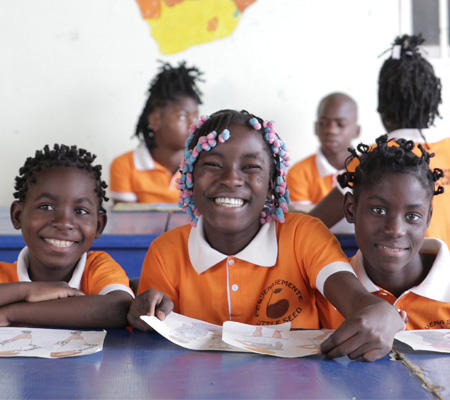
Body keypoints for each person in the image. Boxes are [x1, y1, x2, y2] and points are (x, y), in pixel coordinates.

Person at [127, 109, 406, 362]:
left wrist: (379, 312)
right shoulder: (166, 251)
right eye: (213, 164)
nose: (231, 179)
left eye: (250, 167)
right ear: (189, 176)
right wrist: (143, 313)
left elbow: (355, 299)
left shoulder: (303, 235)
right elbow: (154, 353)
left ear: (273, 184)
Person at [310, 34, 450, 249]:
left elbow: (312, 225)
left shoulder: (374, 159)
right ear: (432, 103)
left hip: (401, 279)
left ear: (381, 108)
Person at [317, 135, 450, 330]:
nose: (395, 230)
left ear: (428, 218)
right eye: (379, 210)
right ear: (351, 209)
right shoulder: (325, 292)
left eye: (412, 216)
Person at [0, 144, 134, 328]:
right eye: (46, 207)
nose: (64, 222)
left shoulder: (97, 267)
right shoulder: (3, 274)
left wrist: (11, 313)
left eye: (80, 210)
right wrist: (28, 291)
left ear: (99, 225)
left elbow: (118, 308)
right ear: (17, 216)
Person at [109, 61, 204, 204]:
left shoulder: (204, 165)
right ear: (155, 120)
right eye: (182, 116)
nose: (193, 125)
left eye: (195, 117)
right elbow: (127, 224)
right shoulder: (125, 166)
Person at [287, 92, 360, 233]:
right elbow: (301, 226)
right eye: (324, 123)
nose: (331, 130)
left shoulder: (369, 168)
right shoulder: (299, 173)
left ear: (356, 131)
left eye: (340, 124)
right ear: (316, 128)